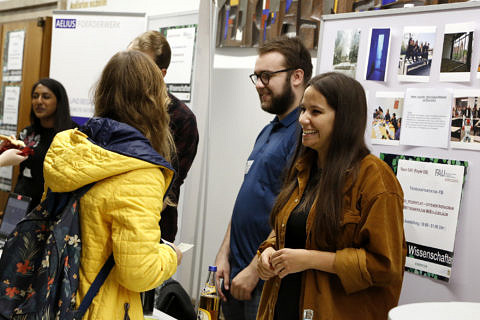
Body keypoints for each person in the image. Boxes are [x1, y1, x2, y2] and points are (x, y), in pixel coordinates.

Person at [42, 50, 182, 319]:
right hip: (100, 309)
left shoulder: (70, 148)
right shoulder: (140, 171)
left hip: (52, 299)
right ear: (154, 101)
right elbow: (139, 273)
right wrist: (170, 256)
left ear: (103, 92)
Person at [256, 72, 406, 320]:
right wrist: (268, 253)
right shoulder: (304, 167)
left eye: (316, 112)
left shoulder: (375, 178)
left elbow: (385, 267)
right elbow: (288, 231)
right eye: (303, 110)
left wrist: (312, 260)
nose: (303, 119)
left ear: (344, 119)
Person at [215, 36, 313, 320]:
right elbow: (248, 197)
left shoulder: (303, 135)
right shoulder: (269, 131)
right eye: (256, 77)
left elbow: (296, 214)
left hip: (264, 283)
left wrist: (254, 271)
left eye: (267, 76)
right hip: (235, 273)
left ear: (297, 76)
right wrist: (225, 254)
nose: (259, 84)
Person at [129, 30, 199, 242]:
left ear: (161, 73)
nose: (130, 71)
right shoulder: (116, 109)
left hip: (153, 226)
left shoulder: (181, 118)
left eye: (140, 66)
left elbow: (169, 185)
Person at [14, 78, 77, 211]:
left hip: (54, 208)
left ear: (59, 102)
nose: (39, 101)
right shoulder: (27, 133)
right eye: (35, 97)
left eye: (46, 97)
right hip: (23, 204)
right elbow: (22, 174)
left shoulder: (73, 134)